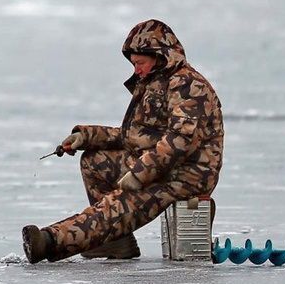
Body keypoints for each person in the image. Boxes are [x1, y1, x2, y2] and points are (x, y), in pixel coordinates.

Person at [22, 19, 224, 264]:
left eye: (140, 63)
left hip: (186, 174)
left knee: (119, 204)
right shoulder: (156, 83)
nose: (136, 70)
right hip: (163, 166)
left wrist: (140, 173)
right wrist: (86, 137)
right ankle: (115, 242)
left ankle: (51, 241)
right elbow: (135, 137)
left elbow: (180, 140)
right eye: (134, 64)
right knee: (95, 161)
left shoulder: (189, 86)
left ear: (160, 56)